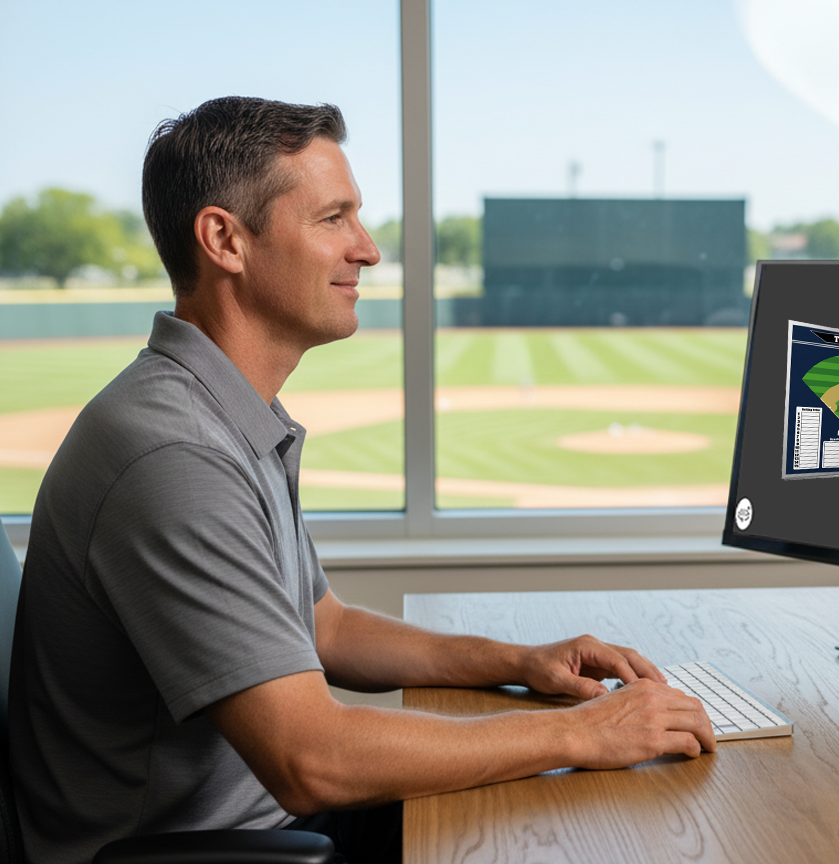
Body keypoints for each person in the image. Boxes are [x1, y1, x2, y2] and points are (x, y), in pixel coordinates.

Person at [8, 97, 715, 864]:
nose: (369, 250)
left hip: (265, 829)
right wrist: (579, 731)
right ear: (224, 241)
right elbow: (310, 760)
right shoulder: (172, 453)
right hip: (208, 852)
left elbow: (324, 628)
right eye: (332, 219)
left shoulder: (226, 409)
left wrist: (519, 662)